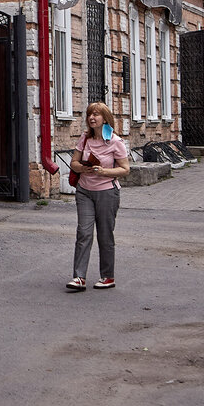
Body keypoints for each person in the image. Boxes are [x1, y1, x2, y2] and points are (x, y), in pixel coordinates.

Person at [66, 102, 130, 292]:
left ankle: (107, 276)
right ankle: (79, 277)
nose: (91, 118)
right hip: (84, 191)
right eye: (89, 115)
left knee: (104, 235)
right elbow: (73, 163)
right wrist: (82, 168)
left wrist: (104, 171)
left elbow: (125, 169)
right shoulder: (85, 138)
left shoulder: (115, 142)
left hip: (107, 193)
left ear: (105, 118)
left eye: (96, 115)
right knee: (83, 233)